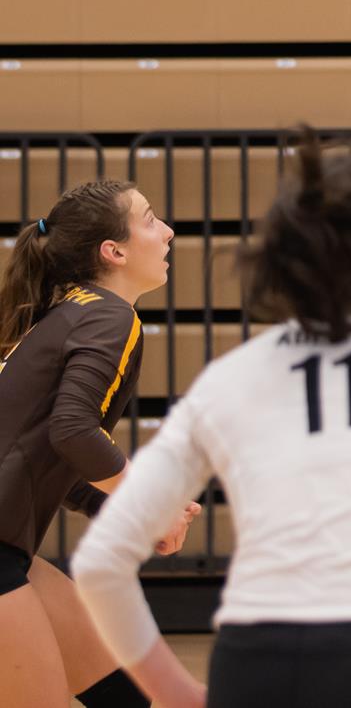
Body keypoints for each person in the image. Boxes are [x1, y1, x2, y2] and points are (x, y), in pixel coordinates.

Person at [69, 132, 351, 708]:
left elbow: (101, 562)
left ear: (279, 262)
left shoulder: (228, 381)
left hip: (257, 659)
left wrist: (170, 687)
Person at [0, 180, 198, 708]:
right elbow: (74, 432)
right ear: (113, 251)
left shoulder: (69, 311)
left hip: (8, 546)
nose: (168, 231)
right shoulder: (110, 316)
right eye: (151, 220)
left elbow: (49, 457)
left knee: (132, 696)